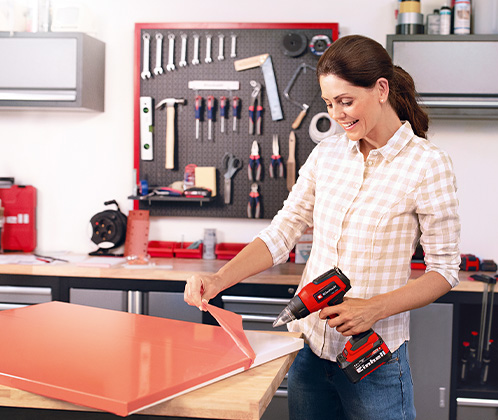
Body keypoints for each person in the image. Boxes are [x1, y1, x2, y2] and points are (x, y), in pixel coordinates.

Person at [184, 34, 460, 420]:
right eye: (330, 104)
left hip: (374, 359)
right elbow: (283, 231)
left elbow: (444, 271)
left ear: (381, 89)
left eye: (346, 102)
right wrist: (218, 280)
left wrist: (373, 309)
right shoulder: (327, 154)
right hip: (309, 352)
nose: (338, 114)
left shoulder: (428, 165)